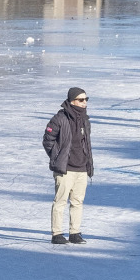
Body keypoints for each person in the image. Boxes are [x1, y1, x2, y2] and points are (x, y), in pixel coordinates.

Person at [43, 87, 93, 245]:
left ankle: (75, 232)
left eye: (86, 99)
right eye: (81, 100)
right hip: (65, 168)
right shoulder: (60, 118)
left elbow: (87, 144)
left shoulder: (85, 119)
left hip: (81, 167)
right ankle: (57, 233)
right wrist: (57, 157)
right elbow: (47, 139)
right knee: (61, 201)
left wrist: (88, 163)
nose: (84, 103)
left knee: (78, 201)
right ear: (72, 101)